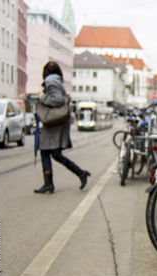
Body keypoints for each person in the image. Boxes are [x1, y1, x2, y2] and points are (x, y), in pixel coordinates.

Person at [34, 61, 90, 194]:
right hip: (57, 122)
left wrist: (42, 97)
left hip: (54, 123)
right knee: (51, 153)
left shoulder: (51, 82)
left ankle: (53, 182)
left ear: (45, 73)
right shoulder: (57, 81)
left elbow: (58, 100)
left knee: (51, 152)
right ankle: (76, 174)